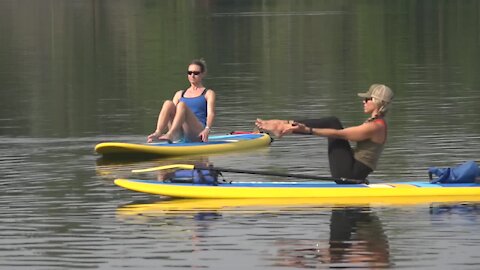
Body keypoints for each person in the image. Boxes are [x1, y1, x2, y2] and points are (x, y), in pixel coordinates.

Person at [255, 84, 393, 182]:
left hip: (350, 174)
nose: (363, 101)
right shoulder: (376, 122)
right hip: (356, 172)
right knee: (332, 122)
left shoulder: (376, 126)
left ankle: (284, 125)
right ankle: (284, 124)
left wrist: (308, 130)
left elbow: (341, 134)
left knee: (332, 123)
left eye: (367, 99)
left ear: (376, 102)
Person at [147, 59, 216, 143]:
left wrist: (207, 129)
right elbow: (170, 116)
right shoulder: (179, 94)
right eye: (190, 73)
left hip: (198, 132)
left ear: (203, 74)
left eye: (196, 73)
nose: (192, 75)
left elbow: (211, 114)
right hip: (181, 132)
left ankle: (171, 134)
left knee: (181, 105)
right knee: (168, 103)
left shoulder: (208, 93)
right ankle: (158, 132)